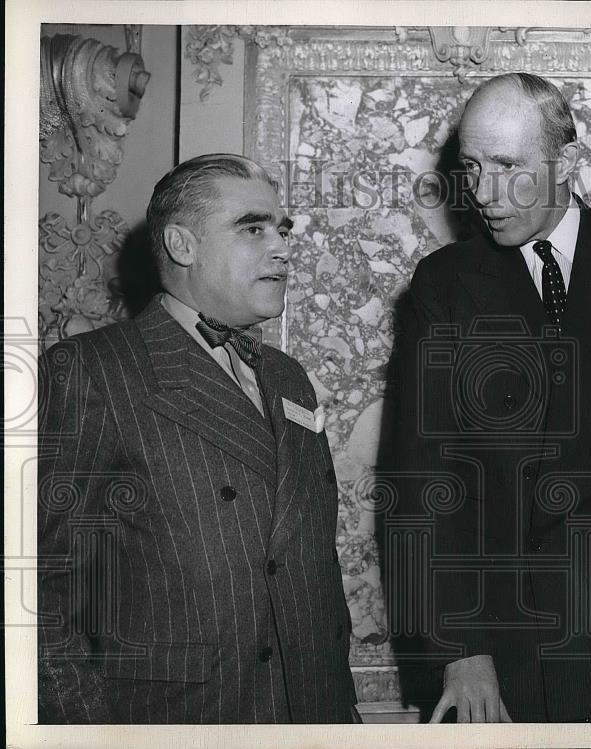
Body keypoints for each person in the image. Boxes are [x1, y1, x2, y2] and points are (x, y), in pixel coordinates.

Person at [387, 73, 591, 722]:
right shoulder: (444, 285)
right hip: (506, 669)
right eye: (472, 167)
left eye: (508, 166)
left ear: (569, 162)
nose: (483, 193)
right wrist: (459, 647)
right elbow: (421, 479)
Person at [37, 154, 358, 723]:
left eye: (281, 230)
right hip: (184, 715)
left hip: (311, 710)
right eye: (252, 228)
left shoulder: (288, 376)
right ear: (183, 246)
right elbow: (44, 592)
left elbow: (310, 559)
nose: (282, 248)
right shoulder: (93, 370)